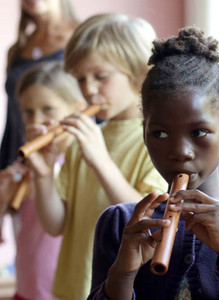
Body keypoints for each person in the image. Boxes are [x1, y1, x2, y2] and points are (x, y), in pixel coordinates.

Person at [87, 26, 219, 300]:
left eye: (198, 132)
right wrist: (122, 275)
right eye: (160, 134)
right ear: (144, 135)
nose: (180, 151)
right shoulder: (119, 223)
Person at [28, 14, 168, 300]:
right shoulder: (84, 140)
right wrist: (43, 175)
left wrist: (101, 161)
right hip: (73, 289)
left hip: (120, 291)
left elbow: (142, 218)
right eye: (80, 78)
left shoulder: (157, 139)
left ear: (138, 73)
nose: (88, 89)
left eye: (100, 76)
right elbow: (55, 225)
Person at [0, 61, 85, 300]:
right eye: (28, 112)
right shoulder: (23, 164)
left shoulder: (84, 163)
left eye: (48, 109)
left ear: (76, 109)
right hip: (27, 286)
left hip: (67, 291)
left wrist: (46, 183)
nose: (36, 121)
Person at [1, 0, 78, 171]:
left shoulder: (78, 41)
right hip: (18, 156)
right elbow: (12, 116)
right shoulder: (17, 49)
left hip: (60, 160)